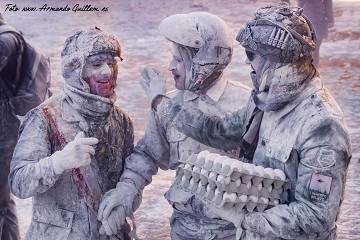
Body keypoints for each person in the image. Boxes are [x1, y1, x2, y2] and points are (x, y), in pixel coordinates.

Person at [139, 5, 351, 239]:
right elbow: (218, 131)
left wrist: (247, 220)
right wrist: (161, 103)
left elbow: (315, 216)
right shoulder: (266, 98)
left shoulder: (321, 125)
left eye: (253, 57)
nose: (250, 65)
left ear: (276, 63)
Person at [97, 12, 251, 239]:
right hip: (184, 229)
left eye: (179, 59)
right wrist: (126, 189)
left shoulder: (245, 104)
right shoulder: (168, 103)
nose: (170, 66)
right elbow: (148, 154)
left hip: (234, 232)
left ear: (204, 60)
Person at [9, 28, 139, 240]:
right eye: (96, 64)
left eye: (111, 63)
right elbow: (19, 183)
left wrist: (125, 202)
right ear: (75, 69)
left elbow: (133, 177)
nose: (107, 71)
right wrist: (58, 162)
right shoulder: (44, 118)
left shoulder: (121, 121)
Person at [0, 13, 24, 240]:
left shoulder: (5, 40)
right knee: (4, 202)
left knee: (2, 201)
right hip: (6, 125)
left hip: (4, 129)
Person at [297, 0, 334, 67]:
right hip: (304, 16)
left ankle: (312, 70)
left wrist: (330, 19)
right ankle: (306, 71)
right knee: (304, 49)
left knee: (315, 50)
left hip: (318, 17)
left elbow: (328, 2)